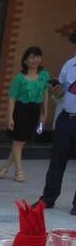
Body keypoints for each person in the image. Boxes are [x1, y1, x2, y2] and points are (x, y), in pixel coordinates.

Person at [0, 47, 50, 183]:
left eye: (38, 57)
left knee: (20, 142)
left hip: (34, 110)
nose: (35, 60)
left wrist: (44, 112)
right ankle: (19, 171)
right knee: (18, 142)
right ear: (25, 60)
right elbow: (12, 98)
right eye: (32, 57)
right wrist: (10, 117)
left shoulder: (44, 76)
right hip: (21, 111)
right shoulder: (19, 79)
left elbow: (45, 95)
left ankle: (4, 168)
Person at [39, 30, 76, 213]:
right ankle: (48, 198)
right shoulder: (69, 65)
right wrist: (56, 91)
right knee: (57, 160)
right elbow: (60, 94)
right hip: (67, 118)